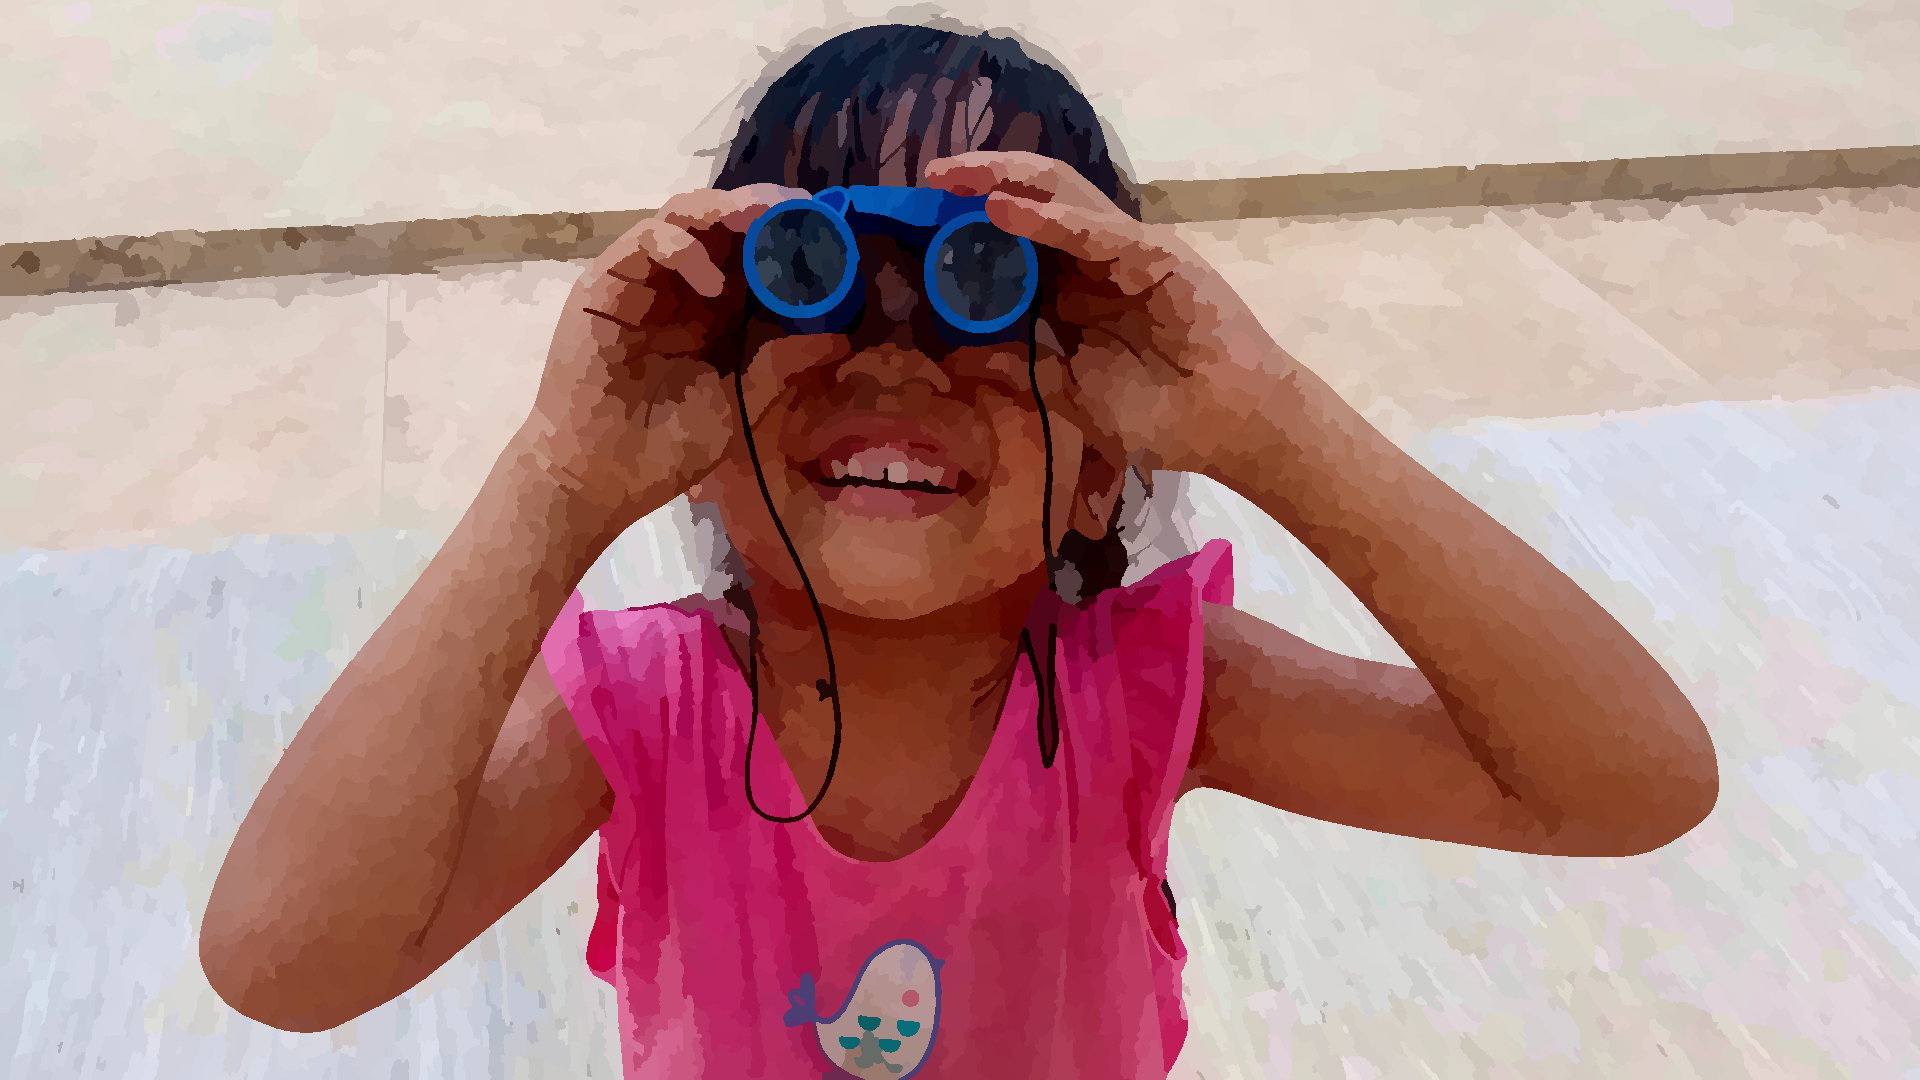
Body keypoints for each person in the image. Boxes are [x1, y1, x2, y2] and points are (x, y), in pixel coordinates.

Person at [199, 22, 1720, 1079]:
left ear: (1096, 475)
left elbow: (1624, 783)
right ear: (705, 426)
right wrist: (553, 480)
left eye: (990, 290)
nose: (899, 361)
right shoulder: (642, 705)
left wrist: (1276, 427)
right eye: (809, 285)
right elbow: (287, 963)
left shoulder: (1156, 688)